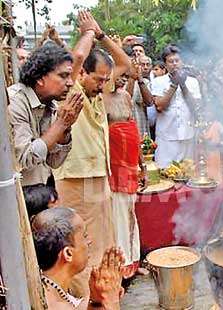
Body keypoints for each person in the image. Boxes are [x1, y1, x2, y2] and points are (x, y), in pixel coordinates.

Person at [53, 11, 131, 298]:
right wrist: (86, 34)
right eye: (98, 79)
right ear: (82, 74)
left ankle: (104, 296)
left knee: (103, 244)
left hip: (99, 177)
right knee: (80, 247)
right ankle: (85, 300)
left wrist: (101, 36)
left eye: (105, 80)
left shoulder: (97, 90)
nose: (103, 86)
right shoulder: (71, 87)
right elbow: (73, 62)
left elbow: (125, 64)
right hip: (75, 180)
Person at [8, 44, 83, 188]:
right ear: (40, 78)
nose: (70, 83)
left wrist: (65, 128)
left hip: (41, 192)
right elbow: (24, 159)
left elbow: (54, 162)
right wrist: (61, 124)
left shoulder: (50, 104)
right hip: (17, 199)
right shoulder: (14, 102)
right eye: (63, 76)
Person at [31, 207, 124, 309]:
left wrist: (97, 300)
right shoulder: (56, 304)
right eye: (84, 236)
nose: (89, 241)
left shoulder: (49, 288)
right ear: (68, 254)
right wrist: (111, 300)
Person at [105, 72, 145, 279]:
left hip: (130, 165)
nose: (121, 80)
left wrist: (142, 165)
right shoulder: (100, 99)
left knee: (130, 215)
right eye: (118, 76)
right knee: (119, 217)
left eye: (124, 76)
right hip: (114, 166)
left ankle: (134, 261)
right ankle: (122, 266)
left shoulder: (126, 97)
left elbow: (133, 131)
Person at [150, 45, 201, 168]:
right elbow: (160, 107)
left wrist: (183, 85)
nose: (174, 64)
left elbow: (196, 108)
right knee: (165, 174)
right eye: (170, 61)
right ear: (166, 65)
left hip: (187, 135)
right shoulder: (158, 82)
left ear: (182, 62)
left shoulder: (192, 82)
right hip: (166, 138)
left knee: (187, 172)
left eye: (177, 61)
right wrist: (174, 85)